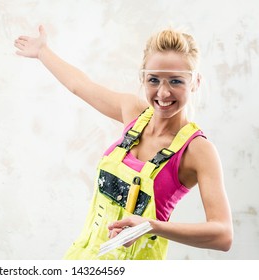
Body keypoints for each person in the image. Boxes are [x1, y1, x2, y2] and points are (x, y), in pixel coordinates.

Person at [14, 25, 233, 260]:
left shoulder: (197, 150)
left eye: (176, 81)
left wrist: (150, 225)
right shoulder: (133, 113)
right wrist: (42, 51)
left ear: (195, 82)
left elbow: (222, 234)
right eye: (154, 80)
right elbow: (79, 85)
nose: (163, 92)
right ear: (143, 78)